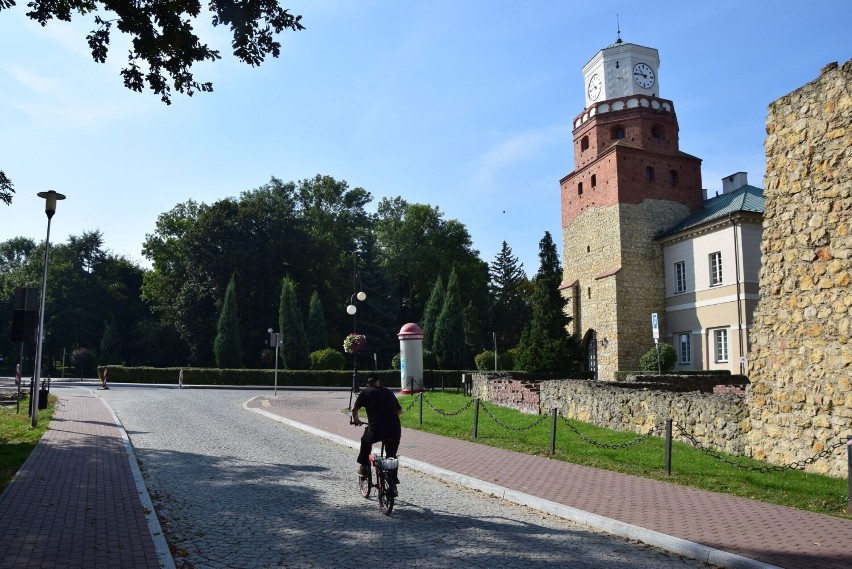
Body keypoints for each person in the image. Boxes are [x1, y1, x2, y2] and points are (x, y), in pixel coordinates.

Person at [351, 374, 402, 480]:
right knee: (391, 455)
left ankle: (364, 467)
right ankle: (392, 480)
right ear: (379, 382)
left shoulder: (366, 392)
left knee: (365, 441)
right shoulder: (388, 391)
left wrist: (356, 420)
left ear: (367, 384)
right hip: (394, 430)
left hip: (376, 429)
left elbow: (354, 409)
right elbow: (399, 411)